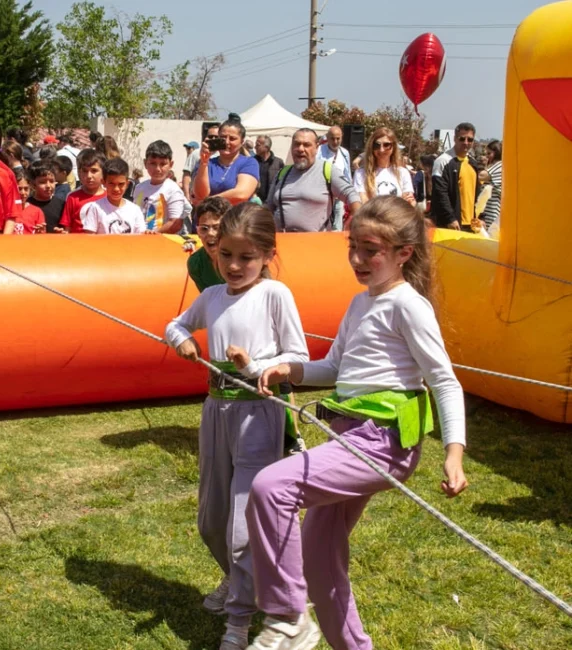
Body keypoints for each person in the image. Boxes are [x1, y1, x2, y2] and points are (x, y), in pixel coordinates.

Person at [246, 195, 468, 650]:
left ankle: (288, 616)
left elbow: (444, 382)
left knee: (272, 488)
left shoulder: (408, 306)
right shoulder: (359, 303)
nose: (358, 259)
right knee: (319, 558)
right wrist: (292, 368)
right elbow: (335, 367)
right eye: (353, 247)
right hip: (345, 437)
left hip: (382, 443)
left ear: (404, 253)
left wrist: (454, 453)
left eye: (371, 250)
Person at [166, 202, 309, 650]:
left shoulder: (275, 295)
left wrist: (254, 366)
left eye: (246, 257)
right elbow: (173, 325)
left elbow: (299, 358)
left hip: (260, 416)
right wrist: (184, 340)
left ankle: (239, 623)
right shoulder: (210, 298)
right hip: (216, 412)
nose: (233, 265)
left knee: (244, 528)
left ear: (267, 254)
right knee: (212, 521)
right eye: (226, 255)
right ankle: (246, 583)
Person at [266, 129, 361, 233]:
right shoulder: (282, 173)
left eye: (306, 145)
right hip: (282, 242)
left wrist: (351, 224)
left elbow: (352, 195)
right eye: (296, 144)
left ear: (316, 147)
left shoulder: (328, 171)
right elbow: (268, 208)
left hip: (316, 244)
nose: (300, 149)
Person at [193, 118, 259, 206]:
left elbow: (241, 194)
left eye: (232, 139)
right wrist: (204, 162)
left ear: (241, 142)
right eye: (223, 137)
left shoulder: (249, 163)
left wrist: (208, 202)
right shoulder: (208, 164)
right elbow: (200, 195)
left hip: (234, 218)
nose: (227, 142)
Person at [431, 122, 483, 230]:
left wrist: (481, 217)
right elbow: (440, 192)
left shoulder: (473, 163)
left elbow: (478, 193)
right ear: (455, 138)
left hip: (472, 225)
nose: (466, 142)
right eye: (462, 138)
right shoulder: (442, 161)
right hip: (452, 224)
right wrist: (450, 218)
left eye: (470, 139)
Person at [79, 158, 148, 235]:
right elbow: (89, 238)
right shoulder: (95, 208)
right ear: (103, 182)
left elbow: (142, 236)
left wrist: (149, 234)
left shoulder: (135, 210)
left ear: (127, 184)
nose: (116, 189)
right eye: (111, 184)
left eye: (121, 184)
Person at [134, 140, 189, 234]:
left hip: (163, 242)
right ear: (145, 163)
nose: (157, 169)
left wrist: (154, 234)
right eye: (153, 163)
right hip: (140, 240)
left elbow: (175, 223)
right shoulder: (139, 188)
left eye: (163, 164)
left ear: (171, 165)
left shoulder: (173, 190)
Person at [354, 128, 415, 205]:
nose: (381, 150)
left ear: (393, 147)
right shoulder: (361, 173)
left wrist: (411, 202)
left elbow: (409, 202)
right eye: (377, 145)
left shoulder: (403, 173)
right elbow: (363, 203)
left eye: (386, 145)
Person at [57, 149, 106, 233]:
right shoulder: (72, 197)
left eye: (94, 171)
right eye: (84, 171)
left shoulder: (109, 196)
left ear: (103, 172)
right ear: (79, 172)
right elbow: (67, 228)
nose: (89, 176)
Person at [186, 197, 229, 293]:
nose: (210, 233)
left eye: (217, 228)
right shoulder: (196, 264)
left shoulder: (243, 260)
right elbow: (210, 302)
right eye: (204, 229)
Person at [317, 126, 353, 231]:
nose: (335, 141)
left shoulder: (345, 153)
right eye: (332, 138)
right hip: (323, 195)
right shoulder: (319, 150)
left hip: (338, 196)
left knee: (338, 225)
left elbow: (347, 175)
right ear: (327, 138)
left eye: (338, 138)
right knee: (322, 224)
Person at [27, 162, 65, 233]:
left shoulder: (62, 205)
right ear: (33, 184)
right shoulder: (27, 205)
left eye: (51, 181)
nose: (48, 186)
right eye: (43, 182)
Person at [12, 168, 46, 234]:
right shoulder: (5, 211)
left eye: (26, 189)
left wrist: (39, 233)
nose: (23, 192)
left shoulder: (37, 212)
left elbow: (41, 238)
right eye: (19, 189)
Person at [253, 137, 283, 204]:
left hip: (271, 202)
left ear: (266, 147)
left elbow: (281, 182)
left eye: (258, 145)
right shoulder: (252, 161)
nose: (255, 147)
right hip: (255, 201)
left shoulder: (278, 162)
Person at [481, 140, 502, 230]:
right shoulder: (494, 166)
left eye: (489, 153)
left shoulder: (499, 165)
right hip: (487, 209)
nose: (487, 156)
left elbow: (481, 176)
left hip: (492, 210)